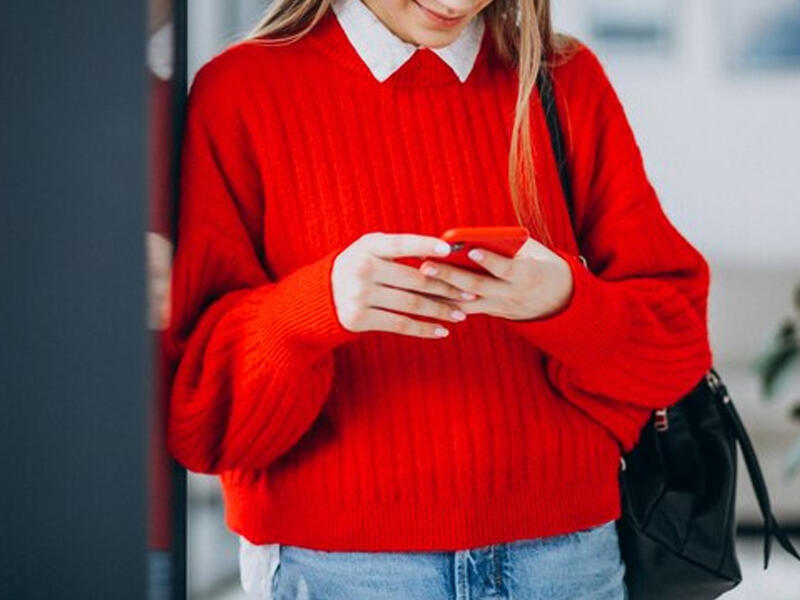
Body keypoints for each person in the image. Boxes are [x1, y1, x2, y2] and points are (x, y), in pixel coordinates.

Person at [165, 0, 713, 597]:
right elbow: (204, 424)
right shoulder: (240, 92)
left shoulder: (561, 81)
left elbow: (677, 346)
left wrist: (565, 304)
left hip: (565, 559)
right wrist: (314, 308)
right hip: (339, 570)